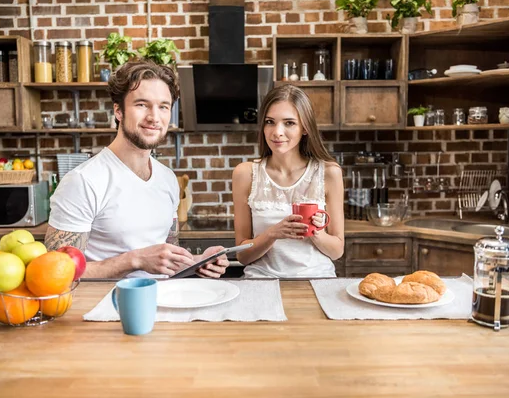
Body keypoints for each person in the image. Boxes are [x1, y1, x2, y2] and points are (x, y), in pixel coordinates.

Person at [45, 60, 228, 279]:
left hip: (162, 304)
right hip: (107, 308)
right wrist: (135, 260)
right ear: (118, 111)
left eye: (163, 106)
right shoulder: (84, 181)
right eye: (142, 104)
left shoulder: (168, 179)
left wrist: (198, 262)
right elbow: (56, 271)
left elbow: (166, 260)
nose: (154, 117)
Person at [231, 84, 344, 278]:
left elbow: (337, 251)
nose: (277, 132)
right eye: (270, 122)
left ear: (305, 128)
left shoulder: (329, 173)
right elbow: (242, 256)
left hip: (317, 279)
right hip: (261, 281)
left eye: (289, 123)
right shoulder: (245, 173)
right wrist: (272, 233)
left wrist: (317, 233)